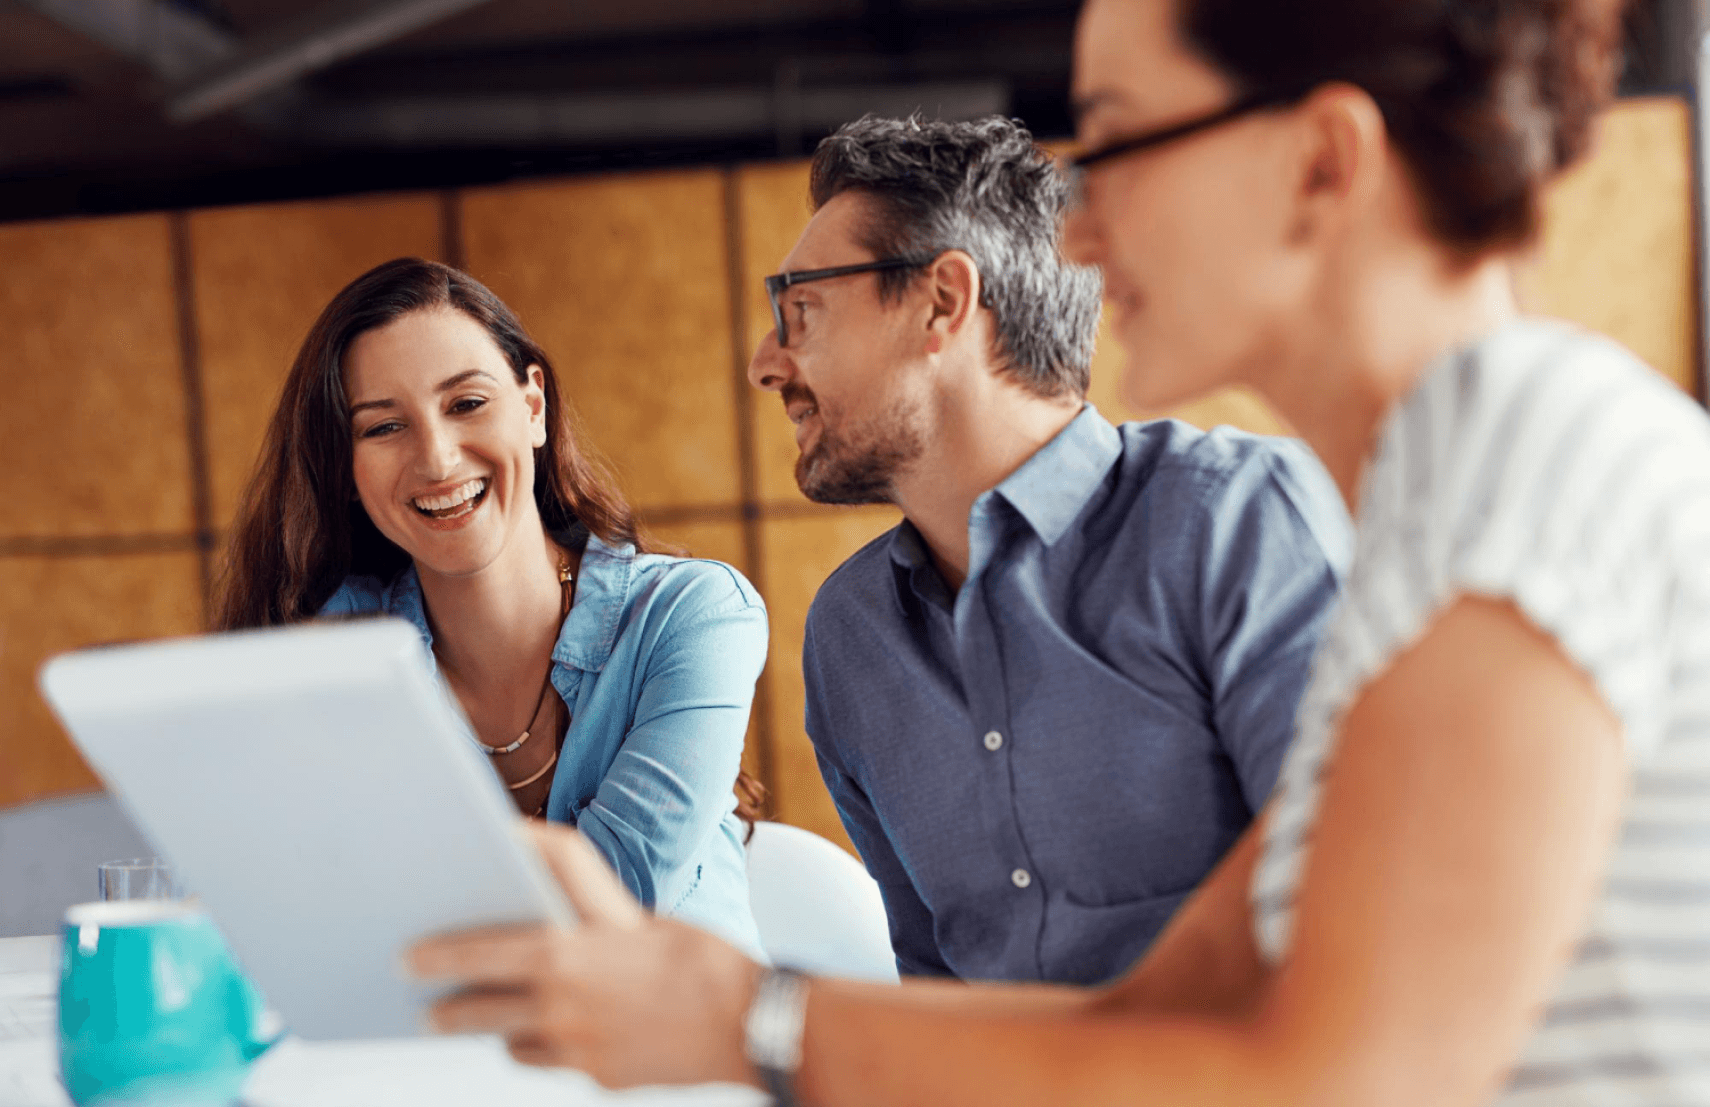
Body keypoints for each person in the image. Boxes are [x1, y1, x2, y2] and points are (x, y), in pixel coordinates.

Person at [409, 0, 1710, 1103]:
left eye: (1127, 138)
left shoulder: (1526, 480)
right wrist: (720, 1000)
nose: (1077, 232)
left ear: (1320, 161)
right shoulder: (1433, 510)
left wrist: (749, 1018)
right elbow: (1166, 1002)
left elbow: (1323, 1078)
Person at [766, 114, 1349, 985]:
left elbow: (1347, 926)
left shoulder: (1232, 522)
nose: (766, 362)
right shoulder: (849, 636)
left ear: (942, 303)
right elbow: (935, 984)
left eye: (801, 310)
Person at [216, 257, 767, 955]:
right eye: (384, 427)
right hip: (443, 1058)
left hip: (679, 1055)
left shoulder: (696, 615)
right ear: (345, 470)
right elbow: (272, 896)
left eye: (467, 403)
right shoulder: (337, 646)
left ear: (533, 405)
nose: (439, 459)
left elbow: (614, 893)